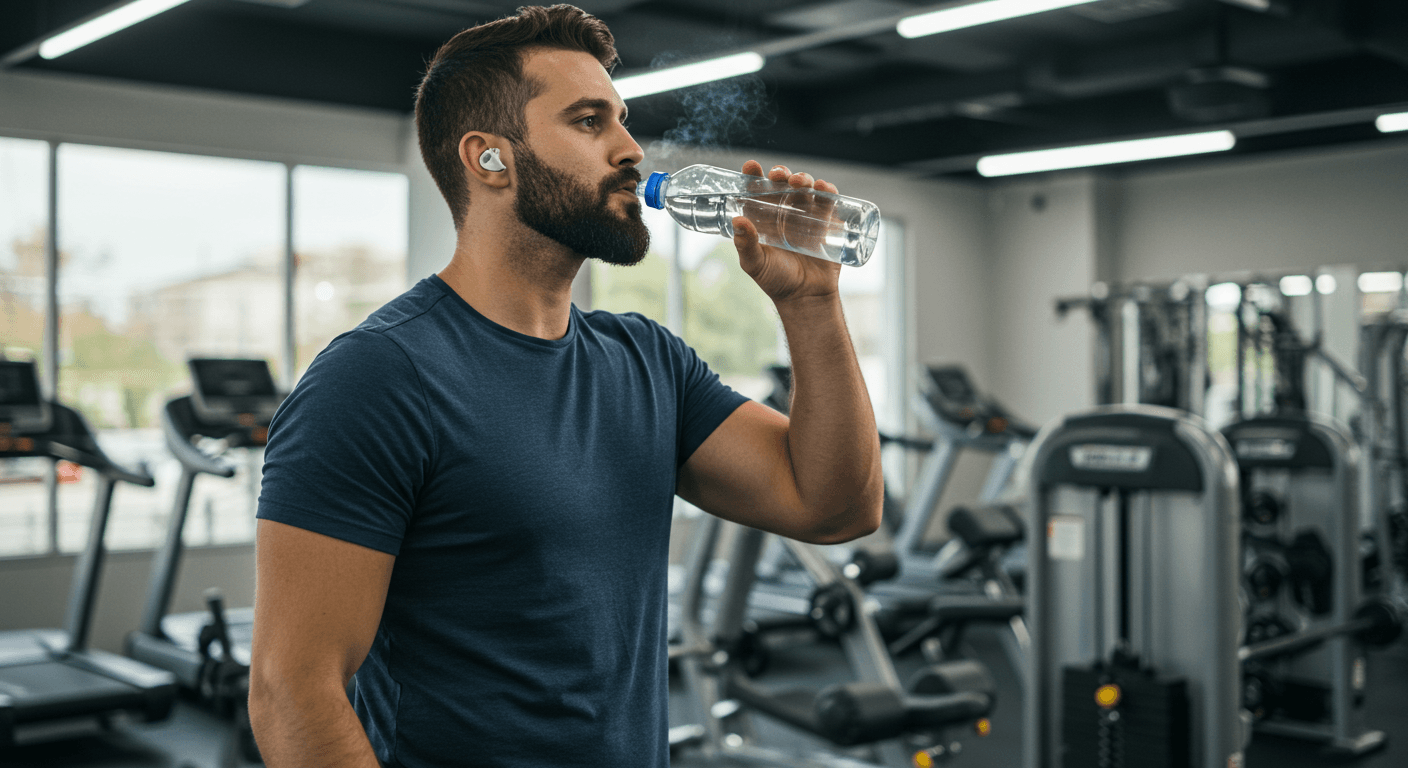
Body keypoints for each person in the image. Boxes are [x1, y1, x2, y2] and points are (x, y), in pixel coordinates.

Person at [246, 5, 883, 767]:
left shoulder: (644, 357)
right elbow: (292, 689)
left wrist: (811, 304)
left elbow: (835, 505)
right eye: (589, 123)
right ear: (490, 159)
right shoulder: (377, 379)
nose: (629, 148)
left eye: (622, 120)